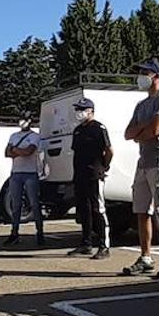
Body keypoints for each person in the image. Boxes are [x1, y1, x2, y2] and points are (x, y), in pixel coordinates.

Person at [121, 59, 159, 278]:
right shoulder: (141, 105)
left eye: (145, 72)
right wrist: (144, 129)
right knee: (141, 211)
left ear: (156, 75)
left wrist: (143, 131)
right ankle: (145, 257)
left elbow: (156, 129)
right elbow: (128, 134)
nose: (141, 76)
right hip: (143, 162)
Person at [68, 98, 112, 260]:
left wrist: (103, 166)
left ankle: (104, 245)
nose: (79, 112)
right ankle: (86, 243)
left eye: (82, 109)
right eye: (77, 109)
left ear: (91, 111)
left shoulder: (98, 128)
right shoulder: (78, 130)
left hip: (94, 174)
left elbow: (109, 150)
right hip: (79, 174)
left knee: (97, 209)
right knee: (83, 209)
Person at [3, 119, 43, 245]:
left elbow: (29, 152)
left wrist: (15, 150)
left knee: (34, 204)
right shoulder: (13, 136)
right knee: (16, 205)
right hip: (16, 173)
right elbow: (7, 153)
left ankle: (40, 233)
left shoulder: (35, 136)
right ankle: (14, 233)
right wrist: (18, 151)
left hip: (30, 173)